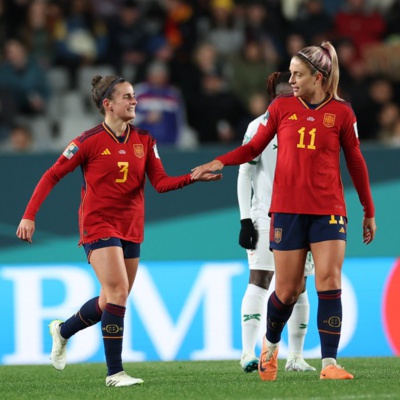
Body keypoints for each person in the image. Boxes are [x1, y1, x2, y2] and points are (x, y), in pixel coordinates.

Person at [16, 75, 221, 387]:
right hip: (98, 224)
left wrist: (195, 177)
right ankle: (115, 373)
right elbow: (51, 175)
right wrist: (29, 216)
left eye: (134, 95)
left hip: (131, 227)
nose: (134, 101)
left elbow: (161, 183)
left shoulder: (145, 140)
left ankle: (62, 330)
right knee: (119, 294)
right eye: (127, 97)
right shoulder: (87, 141)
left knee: (110, 299)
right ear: (107, 105)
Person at [191, 41, 377, 381]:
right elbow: (251, 149)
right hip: (288, 212)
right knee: (287, 291)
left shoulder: (343, 113)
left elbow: (356, 161)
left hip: (329, 210)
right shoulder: (281, 108)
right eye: (290, 73)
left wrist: (369, 209)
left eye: (297, 74)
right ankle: (270, 345)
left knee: (329, 281)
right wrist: (220, 160)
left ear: (319, 77)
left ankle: (330, 363)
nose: (290, 80)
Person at [238, 71, 315, 374]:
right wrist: (245, 219)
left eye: (294, 94)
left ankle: (295, 357)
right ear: (273, 99)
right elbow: (245, 173)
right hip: (264, 216)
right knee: (260, 278)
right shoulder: (258, 127)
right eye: (283, 95)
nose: (290, 99)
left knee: (299, 286)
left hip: (303, 215)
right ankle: (247, 353)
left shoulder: (308, 127)